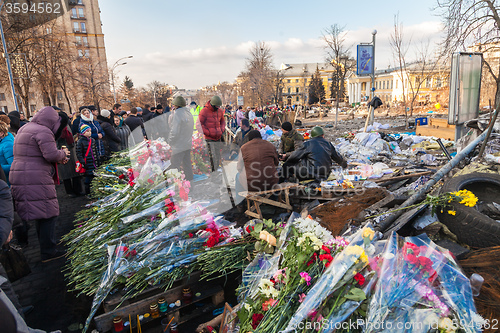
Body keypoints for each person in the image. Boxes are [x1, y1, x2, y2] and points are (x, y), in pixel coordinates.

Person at [10, 106, 70, 262]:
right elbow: (50, 154)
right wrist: (63, 153)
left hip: (22, 174)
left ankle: (45, 248)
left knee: (40, 212)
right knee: (48, 213)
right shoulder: (43, 131)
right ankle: (48, 251)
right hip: (35, 176)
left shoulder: (26, 128)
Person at [281, 126, 347, 182]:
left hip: (310, 173)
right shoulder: (328, 143)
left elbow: (294, 157)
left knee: (286, 165)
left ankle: (281, 183)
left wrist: (286, 161)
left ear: (311, 136)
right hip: (325, 173)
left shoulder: (307, 144)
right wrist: (345, 165)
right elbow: (338, 158)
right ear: (323, 135)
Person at [236, 130, 279, 202]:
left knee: (238, 176)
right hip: (270, 183)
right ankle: (274, 198)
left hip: (252, 185)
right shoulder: (270, 145)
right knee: (275, 173)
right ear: (261, 137)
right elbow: (276, 163)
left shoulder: (244, 148)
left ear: (249, 138)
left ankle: (239, 203)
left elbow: (239, 168)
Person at [53, 108, 82, 197]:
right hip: (62, 150)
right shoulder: (55, 128)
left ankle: (78, 190)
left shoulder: (67, 125)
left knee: (75, 171)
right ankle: (69, 191)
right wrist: (59, 150)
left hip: (71, 149)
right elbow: (55, 140)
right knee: (66, 173)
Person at [168, 96, 194, 181]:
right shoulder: (188, 113)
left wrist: (170, 141)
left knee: (175, 165)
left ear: (176, 105)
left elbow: (174, 131)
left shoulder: (178, 114)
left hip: (179, 145)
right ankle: (190, 183)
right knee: (187, 164)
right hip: (187, 143)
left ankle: (177, 185)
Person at [199, 95, 225, 171]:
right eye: (216, 106)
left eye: (218, 106)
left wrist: (221, 130)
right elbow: (199, 124)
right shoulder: (204, 111)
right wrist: (208, 133)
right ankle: (213, 171)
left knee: (217, 155)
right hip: (209, 138)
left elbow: (222, 121)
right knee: (212, 156)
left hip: (217, 137)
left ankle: (217, 170)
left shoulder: (219, 111)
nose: (218, 107)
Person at [76, 124, 100, 195]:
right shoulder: (80, 142)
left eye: (90, 131)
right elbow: (79, 153)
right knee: (88, 179)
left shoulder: (92, 140)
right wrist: (83, 163)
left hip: (94, 162)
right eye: (87, 131)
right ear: (83, 132)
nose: (89, 133)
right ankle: (88, 193)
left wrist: (98, 159)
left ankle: (95, 192)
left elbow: (95, 150)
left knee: (95, 178)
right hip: (87, 164)